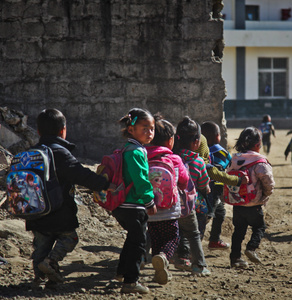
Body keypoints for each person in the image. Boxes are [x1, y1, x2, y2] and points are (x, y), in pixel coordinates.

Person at [27, 109, 117, 290]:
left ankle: (39, 276)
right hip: (59, 210)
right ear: (63, 130)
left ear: (38, 132)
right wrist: (105, 185)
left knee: (41, 244)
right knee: (70, 238)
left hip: (34, 211)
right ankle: (51, 262)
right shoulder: (60, 153)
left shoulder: (31, 153)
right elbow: (81, 175)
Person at [113, 108, 157, 294]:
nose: (150, 133)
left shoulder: (130, 149)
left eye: (152, 129)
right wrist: (149, 201)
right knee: (139, 242)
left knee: (133, 238)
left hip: (122, 204)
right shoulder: (136, 152)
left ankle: (122, 272)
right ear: (131, 130)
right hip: (133, 205)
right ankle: (131, 282)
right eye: (144, 128)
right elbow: (141, 180)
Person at [145, 114, 189, 285]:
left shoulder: (143, 156)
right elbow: (184, 182)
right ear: (171, 141)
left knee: (155, 238)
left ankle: (159, 270)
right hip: (170, 210)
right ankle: (163, 258)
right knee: (173, 237)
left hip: (149, 209)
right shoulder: (175, 159)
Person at [228, 127, 275, 268]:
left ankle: (235, 259)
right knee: (260, 226)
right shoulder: (260, 161)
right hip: (254, 204)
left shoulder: (235, 159)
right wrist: (265, 194)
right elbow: (268, 182)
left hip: (237, 203)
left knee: (238, 231)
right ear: (258, 145)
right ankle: (251, 248)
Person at [173, 116, 211, 276]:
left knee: (180, 229)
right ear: (197, 142)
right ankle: (197, 262)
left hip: (170, 202)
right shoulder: (197, 161)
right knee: (199, 222)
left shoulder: (172, 158)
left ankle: (180, 255)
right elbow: (203, 185)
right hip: (189, 204)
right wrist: (207, 188)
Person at [200, 121, 247, 250]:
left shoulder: (199, 151)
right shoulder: (222, 153)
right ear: (217, 137)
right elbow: (229, 167)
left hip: (200, 187)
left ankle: (214, 240)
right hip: (215, 190)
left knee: (220, 212)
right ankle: (194, 245)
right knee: (206, 217)